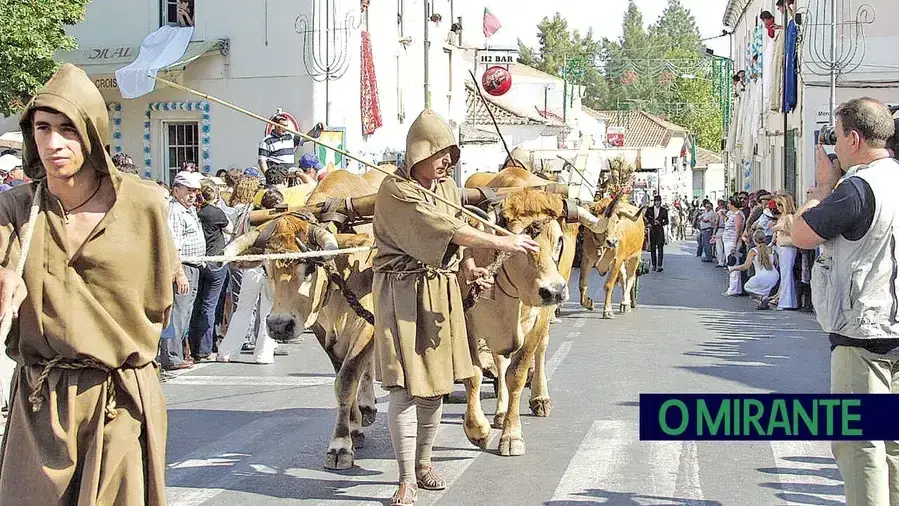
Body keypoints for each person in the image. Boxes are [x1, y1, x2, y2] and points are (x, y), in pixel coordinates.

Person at [0, 63, 180, 504]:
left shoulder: (143, 203)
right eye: (43, 128)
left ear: (93, 133)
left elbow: (160, 300)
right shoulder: (16, 209)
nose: (53, 143)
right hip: (40, 402)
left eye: (68, 129)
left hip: (119, 400)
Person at [372, 109, 538, 506]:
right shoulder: (395, 191)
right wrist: (501, 242)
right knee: (404, 389)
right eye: (440, 153)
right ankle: (406, 479)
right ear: (418, 153)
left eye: (451, 154)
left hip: (441, 291)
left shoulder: (446, 188)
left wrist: (469, 268)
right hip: (401, 293)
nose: (448, 161)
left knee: (435, 389)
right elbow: (443, 228)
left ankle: (424, 463)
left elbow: (456, 238)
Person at [790, 97, 899, 506]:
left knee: (860, 446)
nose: (834, 148)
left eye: (836, 138)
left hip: (863, 335)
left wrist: (822, 187)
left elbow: (801, 233)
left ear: (854, 139)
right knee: (894, 446)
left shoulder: (856, 189)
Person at [161, 170, 207, 371]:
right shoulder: (175, 212)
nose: (193, 195)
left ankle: (176, 353)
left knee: (184, 312)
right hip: (183, 267)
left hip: (193, 267)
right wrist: (179, 274)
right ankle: (170, 356)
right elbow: (174, 246)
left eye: (195, 191)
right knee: (177, 313)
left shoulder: (188, 210)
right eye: (189, 190)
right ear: (176, 190)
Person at [729, 230, 779, 299]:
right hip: (774, 276)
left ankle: (761, 298)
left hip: (761, 276)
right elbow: (776, 263)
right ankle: (765, 298)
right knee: (765, 288)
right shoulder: (771, 250)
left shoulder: (753, 251)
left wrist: (734, 268)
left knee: (747, 287)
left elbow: (745, 266)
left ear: (754, 240)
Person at [646, 195, 669, 272]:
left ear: (660, 202)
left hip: (660, 231)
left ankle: (659, 265)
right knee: (653, 249)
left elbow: (667, 221)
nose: (657, 203)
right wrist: (649, 223)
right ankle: (654, 265)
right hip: (652, 230)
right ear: (654, 202)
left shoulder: (664, 210)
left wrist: (660, 223)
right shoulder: (649, 210)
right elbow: (645, 218)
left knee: (660, 249)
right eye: (656, 201)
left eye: (659, 201)